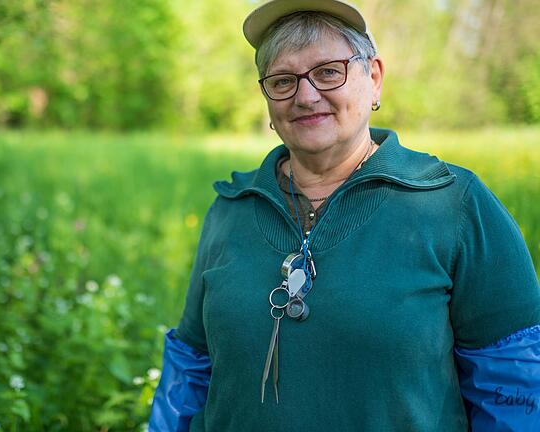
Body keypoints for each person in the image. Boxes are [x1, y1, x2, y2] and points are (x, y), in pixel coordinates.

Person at [147, 1, 540, 431]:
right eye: (283, 80)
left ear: (373, 79)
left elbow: (513, 387)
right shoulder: (231, 209)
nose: (306, 95)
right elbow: (190, 370)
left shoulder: (454, 204)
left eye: (329, 72)